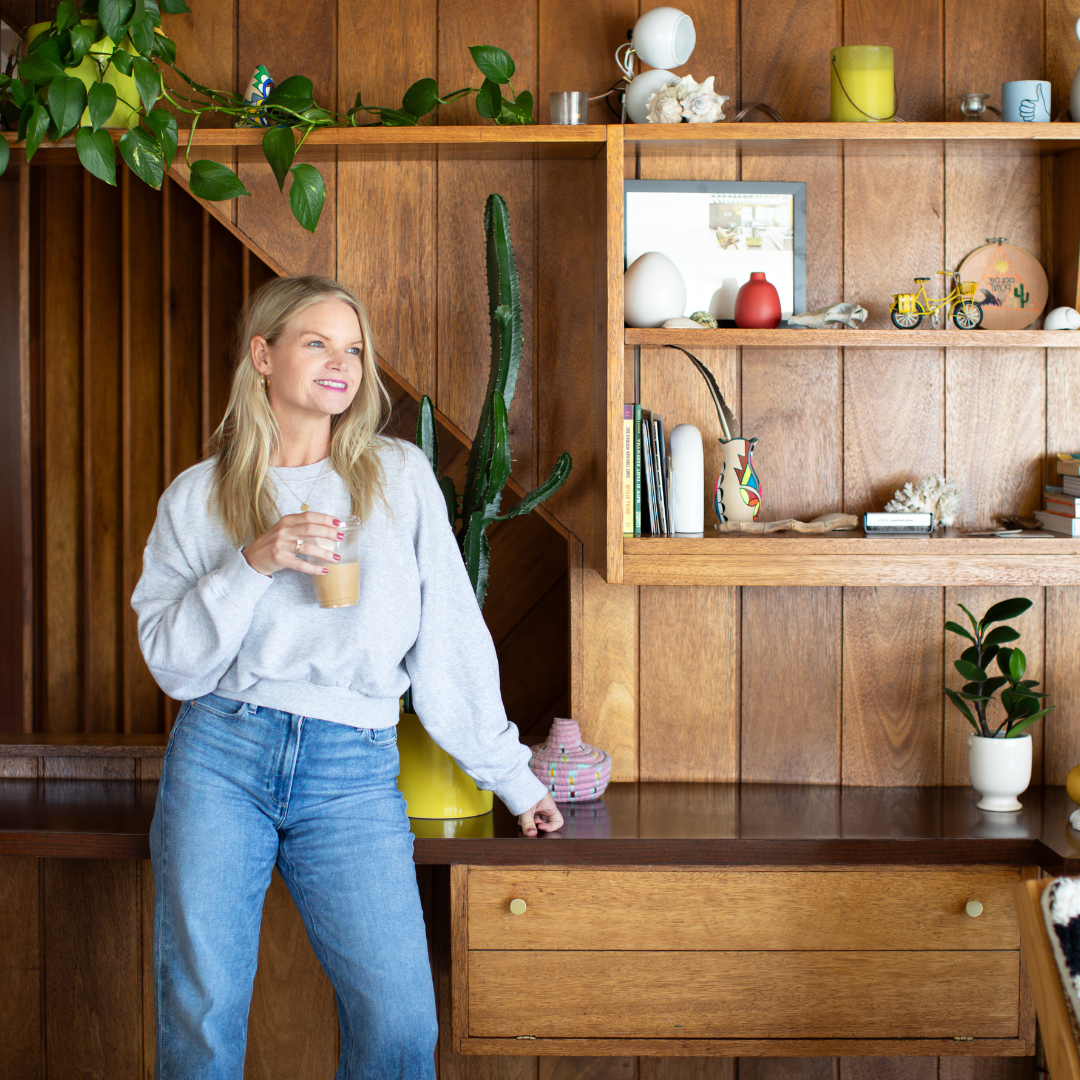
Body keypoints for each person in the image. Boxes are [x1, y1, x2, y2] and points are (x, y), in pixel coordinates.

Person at [132, 275, 563, 1080]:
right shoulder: (198, 498)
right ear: (262, 356)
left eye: (356, 348)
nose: (344, 363)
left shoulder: (396, 478)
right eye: (317, 342)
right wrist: (253, 562)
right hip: (222, 754)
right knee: (201, 1014)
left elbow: (449, 637)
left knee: (399, 1021)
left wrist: (512, 776)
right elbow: (171, 662)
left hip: (353, 766)